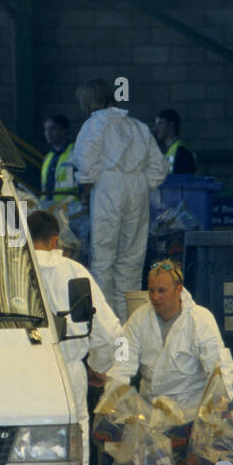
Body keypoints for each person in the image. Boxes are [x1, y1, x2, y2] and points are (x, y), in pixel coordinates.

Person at [0, 210, 121, 465]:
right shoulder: (75, 273)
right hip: (70, 375)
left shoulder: (10, 269)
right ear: (55, 238)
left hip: (25, 376)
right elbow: (110, 335)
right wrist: (96, 366)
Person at [72, 79, 167, 323]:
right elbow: (159, 166)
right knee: (132, 258)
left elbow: (84, 162)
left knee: (103, 258)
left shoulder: (94, 126)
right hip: (137, 187)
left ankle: (106, 323)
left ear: (88, 101)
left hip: (108, 187)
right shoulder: (137, 126)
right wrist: (140, 183)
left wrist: (89, 183)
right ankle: (130, 323)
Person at [108, 259, 233, 417]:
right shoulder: (138, 319)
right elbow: (120, 364)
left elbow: (220, 370)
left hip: (190, 417)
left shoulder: (201, 320)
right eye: (151, 290)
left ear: (178, 290)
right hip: (150, 416)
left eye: (162, 291)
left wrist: (220, 413)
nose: (155, 297)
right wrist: (110, 405)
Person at [39, 114, 79, 207]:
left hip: (71, 208)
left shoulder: (75, 153)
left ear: (64, 130)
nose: (48, 133)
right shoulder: (48, 157)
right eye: (46, 129)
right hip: (49, 208)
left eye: (52, 129)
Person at [153, 108, 197, 175]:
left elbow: (186, 181)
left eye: (160, 124)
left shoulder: (182, 150)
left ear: (171, 125)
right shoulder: (168, 152)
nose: (155, 128)